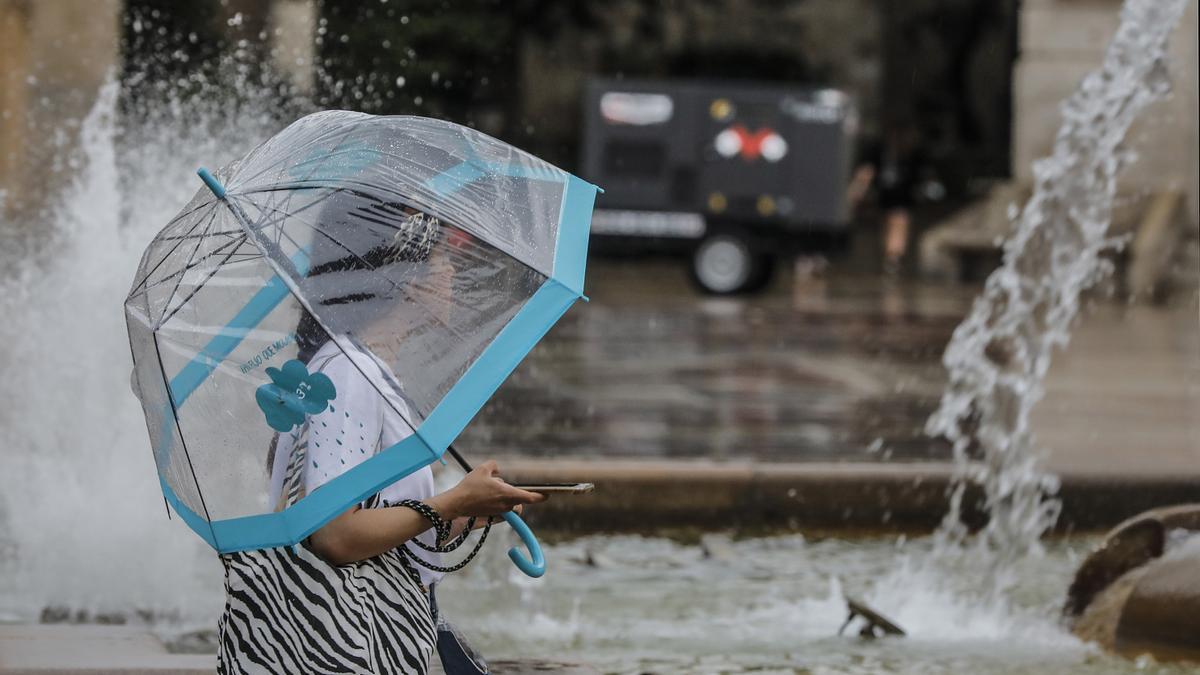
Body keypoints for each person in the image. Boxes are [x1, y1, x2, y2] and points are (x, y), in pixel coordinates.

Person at [217, 190, 545, 675]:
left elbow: (379, 526)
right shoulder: (349, 375)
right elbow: (334, 535)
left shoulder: (361, 370)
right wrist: (450, 503)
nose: (452, 272)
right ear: (401, 279)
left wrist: (471, 510)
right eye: (442, 259)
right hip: (342, 648)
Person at [849, 118, 925, 275]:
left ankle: (894, 257)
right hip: (884, 194)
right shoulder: (878, 151)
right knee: (886, 225)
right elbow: (867, 172)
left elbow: (919, 175)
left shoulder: (913, 154)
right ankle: (890, 256)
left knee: (899, 221)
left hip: (904, 195)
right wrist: (857, 191)